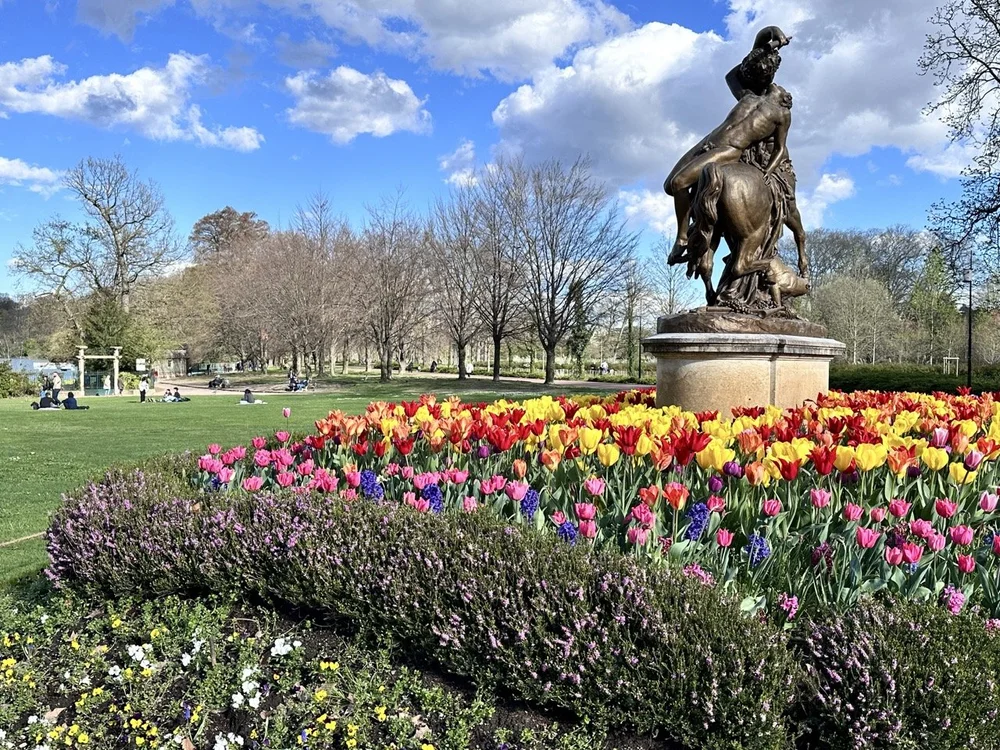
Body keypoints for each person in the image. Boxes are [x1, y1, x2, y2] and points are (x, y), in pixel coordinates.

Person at [664, 83, 793, 265]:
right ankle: (694, 211)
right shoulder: (750, 97)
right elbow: (732, 76)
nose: (779, 85)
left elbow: (779, 149)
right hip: (709, 141)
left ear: (784, 98)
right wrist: (765, 52)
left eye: (783, 88)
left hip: (729, 149)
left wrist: (768, 171)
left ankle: (682, 237)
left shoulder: (782, 114)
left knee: (679, 182)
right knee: (669, 186)